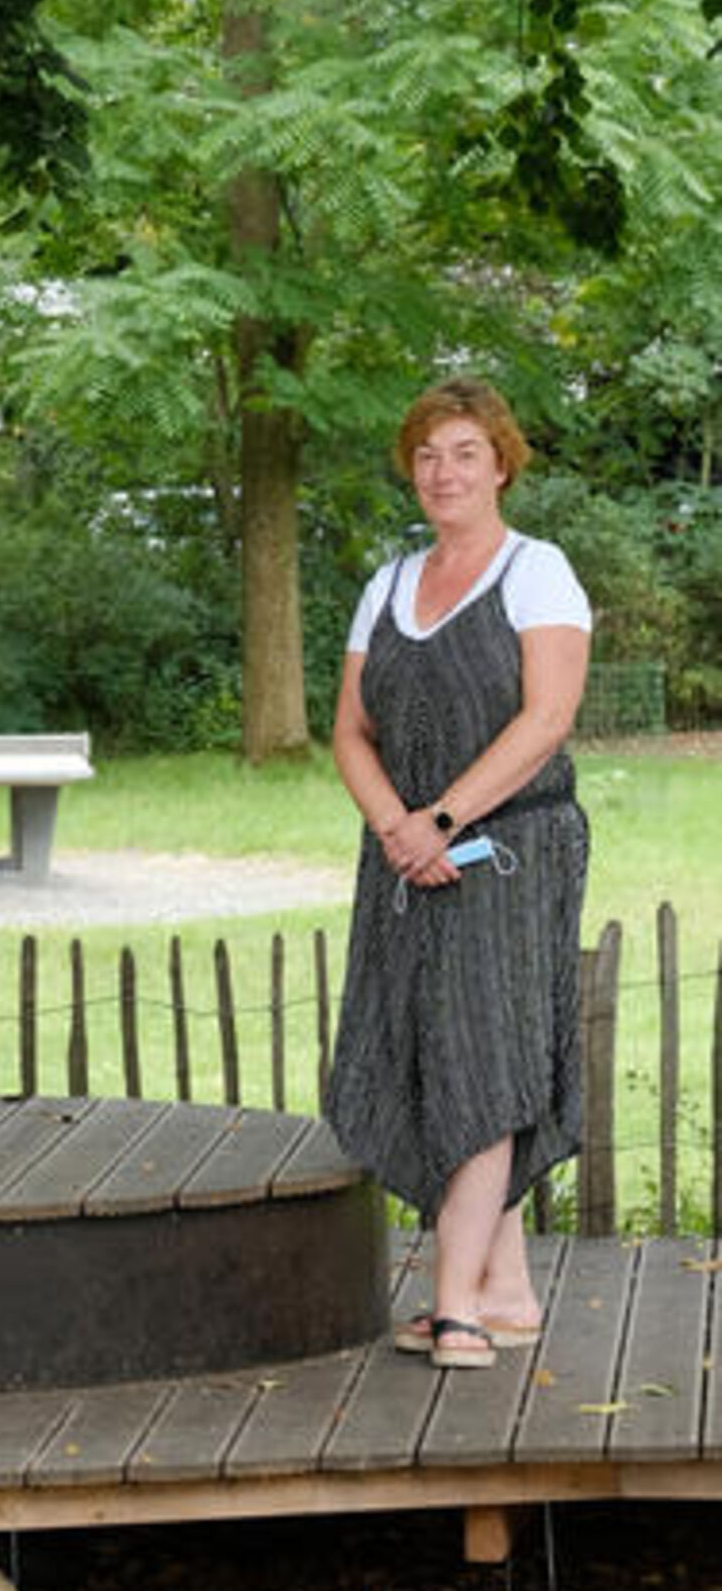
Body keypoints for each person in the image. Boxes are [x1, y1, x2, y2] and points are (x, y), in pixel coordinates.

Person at [324, 377, 592, 1371]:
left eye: (464, 451)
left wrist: (441, 816)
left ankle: (451, 1305)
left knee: (485, 1060)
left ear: (500, 463)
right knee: (425, 1057)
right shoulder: (385, 582)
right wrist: (396, 824)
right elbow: (349, 729)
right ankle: (506, 1286)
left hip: (509, 847)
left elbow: (545, 718)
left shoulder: (537, 570)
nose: (443, 471)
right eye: (427, 453)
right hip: (400, 851)